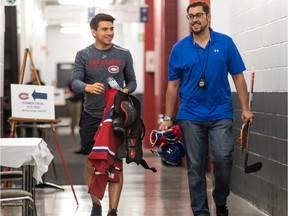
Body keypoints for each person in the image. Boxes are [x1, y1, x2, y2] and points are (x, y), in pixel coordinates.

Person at [159, 2, 254, 216]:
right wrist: (167, 117)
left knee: (222, 157)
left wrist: (245, 108)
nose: (194, 19)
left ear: (208, 17)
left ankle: (220, 199)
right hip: (190, 115)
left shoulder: (225, 43)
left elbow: (238, 77)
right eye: (190, 16)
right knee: (195, 166)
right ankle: (200, 212)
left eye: (199, 15)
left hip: (221, 113)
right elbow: (172, 86)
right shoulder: (179, 49)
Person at [71, 13, 137, 216]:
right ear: (94, 32)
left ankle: (113, 210)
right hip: (91, 116)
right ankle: (96, 205)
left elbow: (133, 82)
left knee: (116, 164)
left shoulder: (124, 54)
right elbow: (75, 81)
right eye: (105, 29)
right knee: (92, 161)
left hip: (116, 117)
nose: (109, 33)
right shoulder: (83, 55)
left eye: (111, 29)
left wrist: (126, 91)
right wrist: (88, 87)